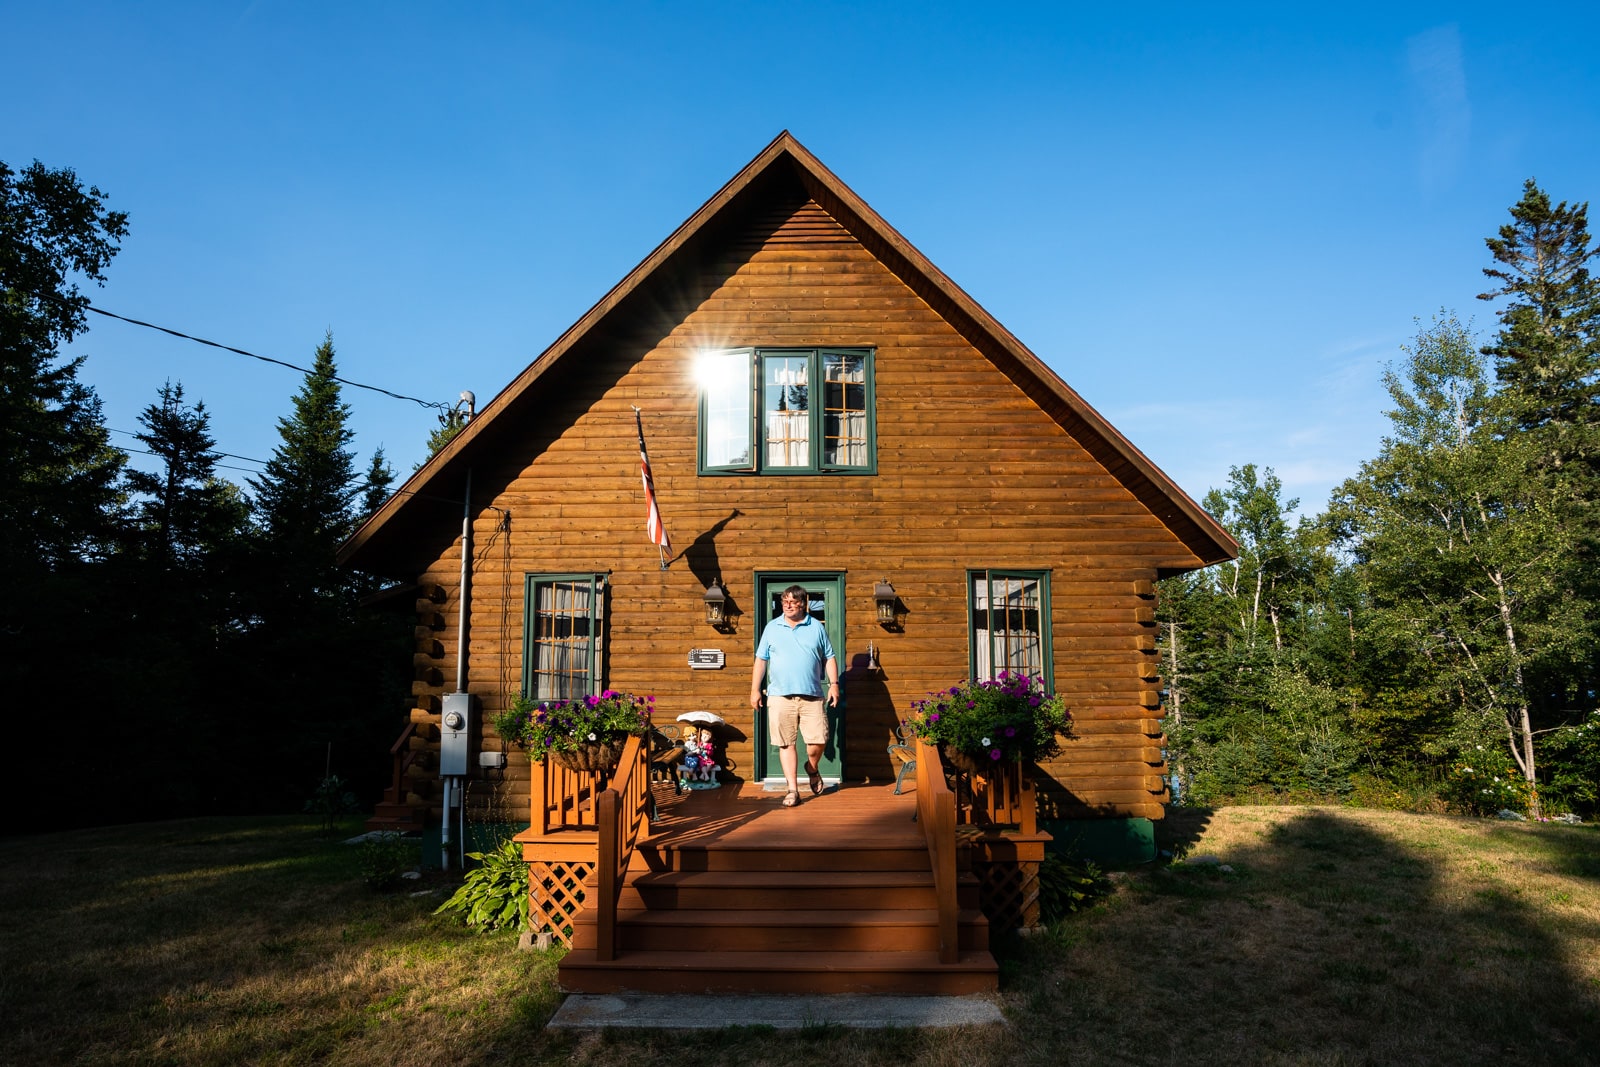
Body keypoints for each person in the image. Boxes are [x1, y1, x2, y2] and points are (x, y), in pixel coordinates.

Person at [750, 584, 839, 808]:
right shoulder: (772, 627)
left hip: (812, 695)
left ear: (803, 603)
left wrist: (834, 684)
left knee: (817, 741)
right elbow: (761, 660)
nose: (788, 606)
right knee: (785, 743)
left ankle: (812, 767)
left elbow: (829, 657)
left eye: (793, 601)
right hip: (780, 696)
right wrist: (754, 689)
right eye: (784, 601)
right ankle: (793, 790)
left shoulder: (816, 627)